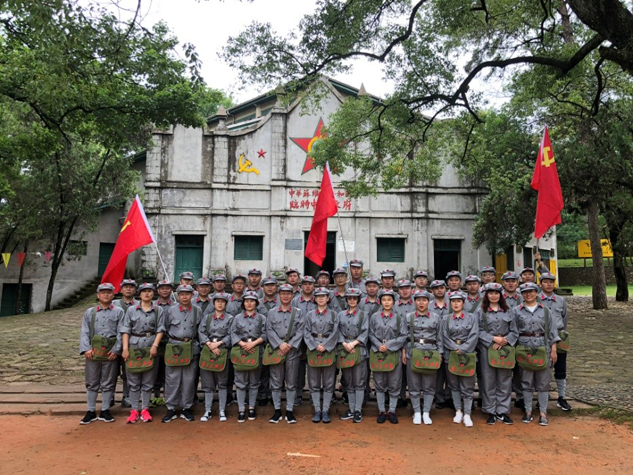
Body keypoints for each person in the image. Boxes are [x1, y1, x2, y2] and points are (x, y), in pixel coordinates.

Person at [513, 282, 560, 426]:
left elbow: (552, 331)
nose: (528, 294)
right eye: (525, 292)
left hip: (542, 347)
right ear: (522, 294)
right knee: (526, 381)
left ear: (536, 293)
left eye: (531, 291)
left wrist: (553, 349)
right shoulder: (516, 311)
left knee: (543, 382)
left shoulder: (545, 310)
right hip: (524, 348)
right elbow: (513, 331)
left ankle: (543, 413)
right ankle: (528, 411)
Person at [79, 283, 124, 424]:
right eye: (103, 292)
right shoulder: (90, 312)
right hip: (93, 352)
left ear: (113, 295)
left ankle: (105, 409)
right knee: (91, 381)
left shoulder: (119, 312)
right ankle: (91, 410)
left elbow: (121, 332)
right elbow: (85, 331)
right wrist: (86, 349)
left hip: (110, 352)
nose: (106, 295)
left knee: (108, 381)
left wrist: (116, 350)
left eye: (109, 292)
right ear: (98, 295)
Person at [120, 283, 165, 423]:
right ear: (139, 294)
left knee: (148, 380)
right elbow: (126, 329)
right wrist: (125, 348)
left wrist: (155, 345)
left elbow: (160, 329)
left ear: (153, 293)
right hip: (134, 346)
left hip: (150, 346)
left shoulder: (158, 310)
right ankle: (134, 410)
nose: (147, 294)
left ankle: (145, 408)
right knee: (133, 380)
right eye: (144, 291)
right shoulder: (131, 310)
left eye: (150, 291)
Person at [476, 283, 518, 425]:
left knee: (504, 380)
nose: (493, 296)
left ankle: (503, 411)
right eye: (490, 293)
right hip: (487, 349)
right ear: (486, 295)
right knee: (488, 380)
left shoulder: (508, 311)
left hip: (504, 350)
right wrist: (493, 339)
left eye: (496, 293)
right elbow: (478, 331)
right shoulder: (481, 311)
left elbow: (514, 331)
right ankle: (490, 411)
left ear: (501, 295)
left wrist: (504, 340)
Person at [265, 284, 304, 424]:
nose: (286, 296)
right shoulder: (272, 312)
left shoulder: (298, 312)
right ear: (278, 295)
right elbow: (269, 329)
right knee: (276, 381)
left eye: (288, 293)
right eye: (283, 293)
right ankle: (277, 410)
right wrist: (279, 344)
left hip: (292, 350)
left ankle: (289, 410)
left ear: (292, 295)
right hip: (277, 350)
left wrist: (290, 345)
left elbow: (301, 330)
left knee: (291, 382)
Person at [161, 284, 201, 423]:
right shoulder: (170, 310)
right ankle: (171, 407)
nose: (185, 297)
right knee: (172, 378)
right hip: (174, 347)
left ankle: (186, 407)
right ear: (178, 296)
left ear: (192, 295)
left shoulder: (197, 310)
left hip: (191, 347)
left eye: (187, 294)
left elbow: (199, 329)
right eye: (182, 294)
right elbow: (165, 328)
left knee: (189, 379)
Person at [403, 290, 443, 425]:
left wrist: (440, 354)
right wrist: (404, 351)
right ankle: (416, 412)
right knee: (413, 384)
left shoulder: (436, 317)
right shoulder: (408, 317)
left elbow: (440, 337)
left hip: (431, 352)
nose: (421, 303)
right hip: (413, 351)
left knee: (429, 385)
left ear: (428, 302)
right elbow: (404, 336)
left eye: (424, 300)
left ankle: (426, 412)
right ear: (414, 302)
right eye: (418, 300)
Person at [369, 289, 407, 424]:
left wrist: (389, 345)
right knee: (379, 383)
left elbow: (403, 335)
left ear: (393, 302)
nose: (386, 302)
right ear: (380, 301)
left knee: (394, 383)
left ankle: (391, 410)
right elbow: (371, 333)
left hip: (393, 352)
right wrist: (378, 344)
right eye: (384, 300)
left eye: (389, 300)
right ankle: (381, 410)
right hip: (377, 351)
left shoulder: (399, 318)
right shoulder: (374, 317)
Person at [441, 291, 479, 428]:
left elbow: (474, 334)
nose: (456, 304)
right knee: (454, 384)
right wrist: (454, 347)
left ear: (463, 303)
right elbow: (444, 336)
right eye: (453, 301)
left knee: (467, 385)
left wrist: (463, 348)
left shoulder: (472, 318)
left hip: (467, 354)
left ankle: (467, 413)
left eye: (458, 301)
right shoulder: (445, 318)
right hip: (451, 354)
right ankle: (458, 410)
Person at [304, 287, 339, 423]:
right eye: (318, 296)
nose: (321, 298)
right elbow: (306, 332)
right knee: (314, 382)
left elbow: (335, 332)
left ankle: (325, 410)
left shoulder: (334, 315)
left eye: (323, 296)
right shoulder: (309, 315)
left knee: (329, 382)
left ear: (328, 298)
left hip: (328, 349)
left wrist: (326, 346)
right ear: (315, 298)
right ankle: (317, 409)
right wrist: (315, 345)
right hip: (313, 349)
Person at [230, 291, 267, 422]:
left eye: (252, 301)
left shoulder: (262, 318)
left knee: (254, 381)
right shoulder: (237, 318)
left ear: (256, 303)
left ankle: (251, 407)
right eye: (247, 301)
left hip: (256, 351)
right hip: (241, 351)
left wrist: (254, 344)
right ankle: (241, 409)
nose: (249, 303)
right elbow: (233, 333)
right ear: (243, 303)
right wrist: (242, 344)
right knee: (240, 382)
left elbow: (265, 334)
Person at [539, 273, 572, 411]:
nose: (548, 284)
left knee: (561, 367)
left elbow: (564, 318)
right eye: (545, 282)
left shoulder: (560, 300)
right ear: (540, 284)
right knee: (543, 367)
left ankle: (561, 397)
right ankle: (543, 396)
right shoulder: (536, 299)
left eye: (551, 282)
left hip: (559, 335)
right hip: (542, 336)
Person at [198, 292, 233, 422]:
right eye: (217, 301)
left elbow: (231, 334)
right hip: (207, 351)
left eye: (222, 302)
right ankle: (207, 410)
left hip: (222, 352)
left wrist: (218, 344)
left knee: (222, 383)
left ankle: (222, 410)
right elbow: (201, 332)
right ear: (213, 303)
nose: (220, 304)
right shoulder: (207, 318)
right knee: (208, 384)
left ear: (226, 304)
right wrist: (209, 344)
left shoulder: (230, 318)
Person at [337, 288, 369, 423]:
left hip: (358, 350)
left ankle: (358, 410)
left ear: (358, 300)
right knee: (349, 381)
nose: (352, 300)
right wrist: (345, 344)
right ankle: (351, 409)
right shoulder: (340, 315)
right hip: (345, 350)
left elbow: (365, 332)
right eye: (349, 298)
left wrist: (353, 344)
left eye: (354, 298)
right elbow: (337, 331)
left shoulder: (363, 315)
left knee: (359, 382)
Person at [114, 278, 138, 408]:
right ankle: (109, 396)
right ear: (121, 289)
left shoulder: (139, 304)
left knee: (128, 371)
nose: (128, 289)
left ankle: (127, 395)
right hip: (113, 343)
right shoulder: (114, 304)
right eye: (126, 287)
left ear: (135, 290)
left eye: (131, 287)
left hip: (131, 343)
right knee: (111, 372)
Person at [430, 280, 452, 410]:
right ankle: (439, 398)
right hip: (434, 343)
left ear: (445, 289)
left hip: (450, 342)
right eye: (436, 288)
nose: (439, 290)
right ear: (432, 291)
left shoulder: (452, 304)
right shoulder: (428, 306)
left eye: (441, 287)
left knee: (451, 372)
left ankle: (449, 396)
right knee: (437, 373)